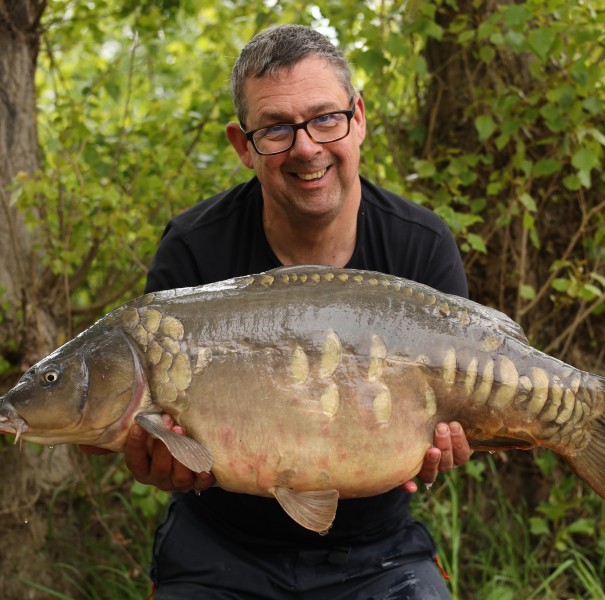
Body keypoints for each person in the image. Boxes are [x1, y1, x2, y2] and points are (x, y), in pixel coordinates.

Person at [88, 24, 473, 599]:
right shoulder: (194, 247)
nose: (306, 147)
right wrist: (157, 460)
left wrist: (449, 446)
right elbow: (154, 441)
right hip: (220, 544)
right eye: (276, 128)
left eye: (325, 118)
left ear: (358, 118)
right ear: (242, 145)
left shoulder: (419, 244)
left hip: (376, 548)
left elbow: (453, 428)